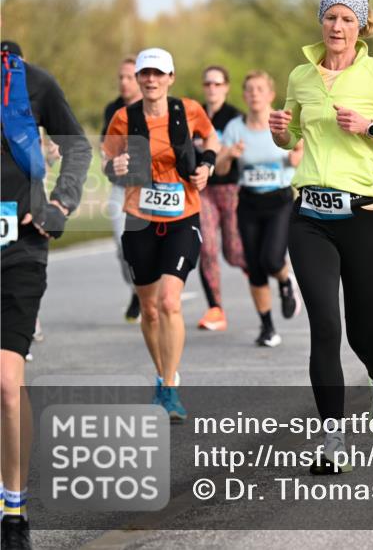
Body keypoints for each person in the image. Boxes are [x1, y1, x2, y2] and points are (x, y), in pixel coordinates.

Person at [269, 0, 373, 474]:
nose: (337, 26)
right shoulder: (300, 76)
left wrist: (370, 129)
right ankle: (332, 440)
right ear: (321, 21)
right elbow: (292, 135)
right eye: (331, 16)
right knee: (325, 328)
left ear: (361, 26)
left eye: (347, 19)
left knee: (362, 334)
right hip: (310, 217)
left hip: (367, 220)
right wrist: (280, 132)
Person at [2, 44, 91, 550]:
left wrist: (61, 203)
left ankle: (13, 510)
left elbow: (76, 146)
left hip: (20, 249)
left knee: (6, 383)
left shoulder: (32, 81)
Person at [103, 48, 219, 423]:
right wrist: (116, 166)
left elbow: (210, 139)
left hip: (183, 215)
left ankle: (169, 387)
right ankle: (162, 373)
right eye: (145, 74)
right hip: (139, 219)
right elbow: (108, 163)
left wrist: (207, 165)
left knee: (170, 301)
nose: (151, 80)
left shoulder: (189, 110)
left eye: (158, 73)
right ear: (138, 79)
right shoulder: (124, 118)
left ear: (170, 78)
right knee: (150, 309)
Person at [215, 71, 304, 347]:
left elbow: (302, 149)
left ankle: (285, 280)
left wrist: (294, 158)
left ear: (271, 95)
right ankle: (267, 327)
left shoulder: (282, 121)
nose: (254, 94)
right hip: (248, 202)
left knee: (272, 260)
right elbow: (220, 169)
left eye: (260, 89)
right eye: (250, 89)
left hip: (279, 200)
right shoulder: (234, 128)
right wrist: (229, 155)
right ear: (244, 95)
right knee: (254, 267)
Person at [196, 65, 247, 332]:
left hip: (230, 189)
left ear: (226, 87)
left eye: (217, 84)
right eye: (208, 84)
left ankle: (264, 272)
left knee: (233, 252)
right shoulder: (195, 115)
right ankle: (215, 308)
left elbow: (237, 157)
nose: (212, 89)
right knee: (206, 247)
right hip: (202, 190)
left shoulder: (235, 118)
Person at [100, 56, 143, 323]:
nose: (124, 82)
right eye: (121, 77)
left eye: (129, 77)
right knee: (122, 247)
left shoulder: (154, 106)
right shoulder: (113, 109)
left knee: (147, 245)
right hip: (120, 187)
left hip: (150, 189)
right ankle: (138, 290)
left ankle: (149, 290)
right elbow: (105, 147)